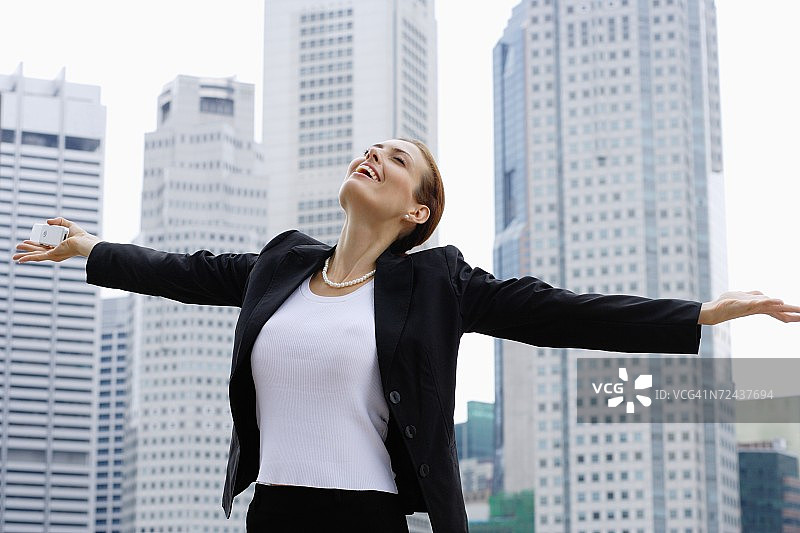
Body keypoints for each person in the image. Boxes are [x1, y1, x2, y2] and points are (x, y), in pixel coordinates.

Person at [12, 138, 800, 532]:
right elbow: (193, 269)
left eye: (394, 161)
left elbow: (554, 308)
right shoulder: (282, 263)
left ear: (415, 211)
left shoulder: (434, 282)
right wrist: (90, 249)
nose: (372, 158)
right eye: (370, 150)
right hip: (273, 512)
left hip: (367, 517)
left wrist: (701, 312)